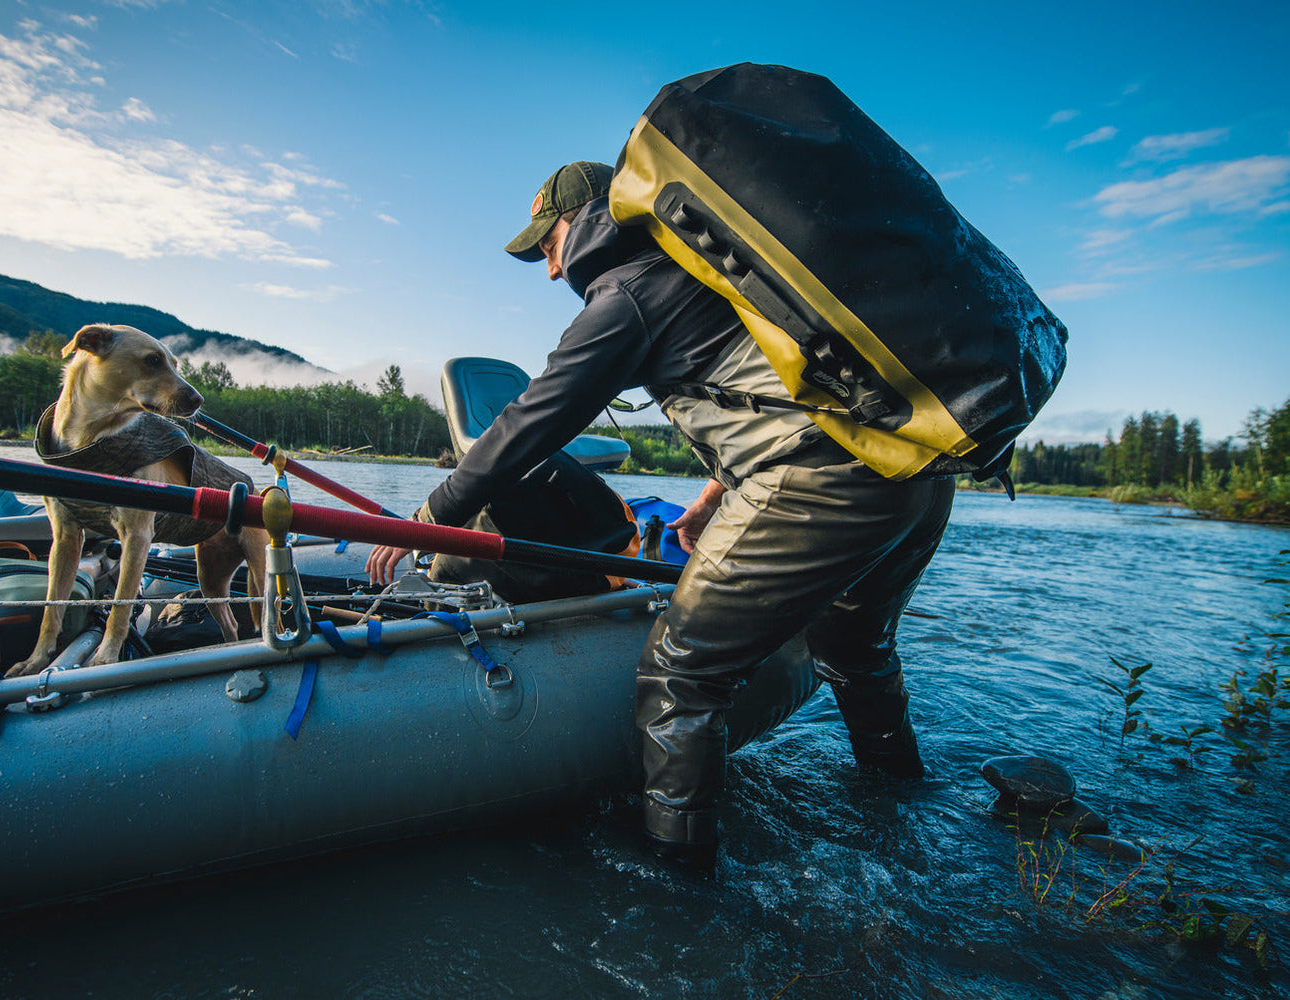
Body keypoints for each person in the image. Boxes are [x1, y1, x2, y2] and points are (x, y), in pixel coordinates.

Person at [366, 161, 954, 855]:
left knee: (680, 676)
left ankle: (680, 899)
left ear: (587, 219)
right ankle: (905, 816)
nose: (552, 272)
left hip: (823, 484)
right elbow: (780, 389)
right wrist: (712, 495)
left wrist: (424, 520)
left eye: (548, 246)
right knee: (858, 652)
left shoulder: (629, 291)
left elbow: (528, 425)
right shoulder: (716, 270)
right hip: (919, 474)